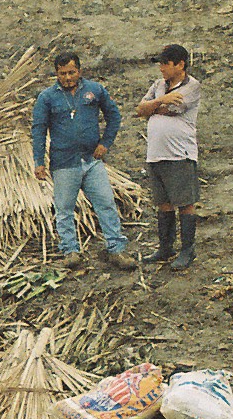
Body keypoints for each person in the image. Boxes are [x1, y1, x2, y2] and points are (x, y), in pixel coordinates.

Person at [31, 51, 132, 271]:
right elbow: (38, 129)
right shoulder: (47, 97)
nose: (67, 78)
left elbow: (114, 116)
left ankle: (116, 248)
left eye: (71, 72)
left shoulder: (94, 90)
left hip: (92, 160)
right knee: (65, 209)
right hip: (64, 162)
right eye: (62, 73)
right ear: (56, 73)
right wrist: (39, 161)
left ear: (80, 70)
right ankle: (70, 251)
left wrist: (106, 142)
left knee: (105, 202)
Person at [135, 43, 202, 270]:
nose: (162, 68)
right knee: (163, 203)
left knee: (184, 202)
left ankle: (187, 249)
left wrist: (154, 106)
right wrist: (159, 102)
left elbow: (175, 108)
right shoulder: (158, 85)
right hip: (156, 153)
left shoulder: (192, 86)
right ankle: (166, 247)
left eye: (166, 63)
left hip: (179, 153)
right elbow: (140, 109)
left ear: (180, 64)